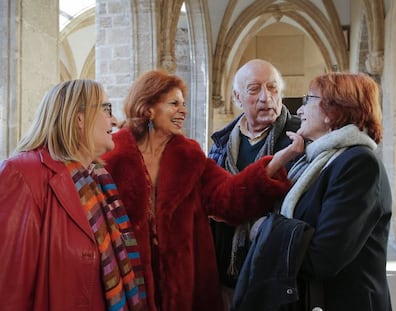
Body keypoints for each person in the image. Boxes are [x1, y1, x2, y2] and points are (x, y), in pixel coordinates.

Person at [101, 69, 304, 311]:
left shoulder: (189, 156)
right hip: (127, 284)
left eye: (183, 104)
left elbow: (230, 197)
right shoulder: (112, 156)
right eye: (174, 104)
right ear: (148, 108)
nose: (183, 111)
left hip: (187, 289)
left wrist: (276, 162)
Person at [234, 72, 392, 311]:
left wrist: (264, 229)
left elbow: (323, 258)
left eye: (308, 100)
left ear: (333, 110)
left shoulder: (359, 165)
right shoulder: (312, 161)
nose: (299, 110)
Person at [0, 80, 147, 311]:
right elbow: (9, 288)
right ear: (79, 118)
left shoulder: (99, 179)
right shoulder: (22, 174)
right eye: (106, 109)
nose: (114, 120)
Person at [208, 58, 301, 308]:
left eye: (272, 88)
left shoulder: (298, 141)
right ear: (237, 97)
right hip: (227, 272)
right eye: (254, 89)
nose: (265, 97)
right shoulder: (220, 146)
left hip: (275, 276)